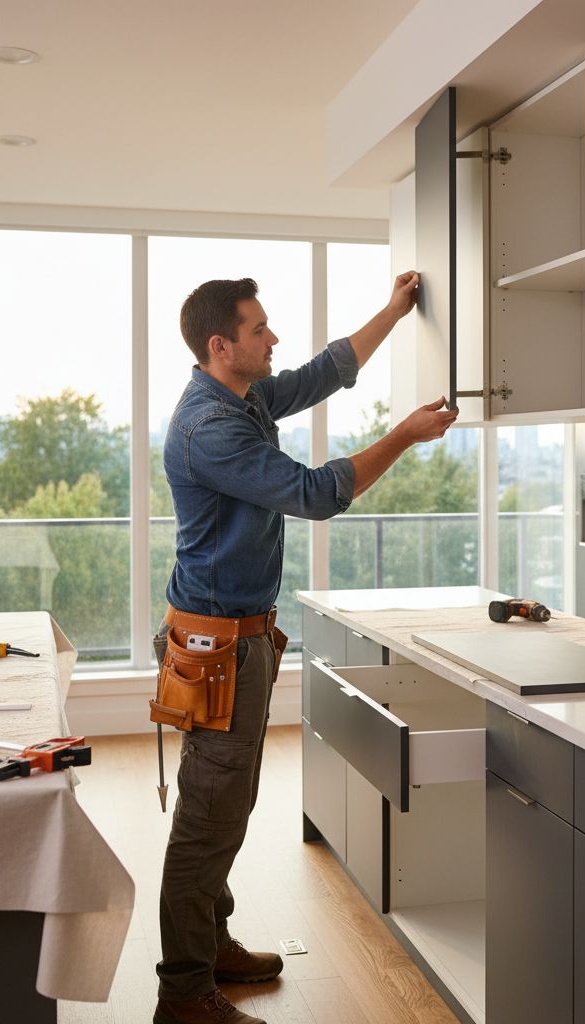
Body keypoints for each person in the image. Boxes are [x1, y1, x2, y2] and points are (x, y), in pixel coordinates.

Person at [154, 272, 458, 1024]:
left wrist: (391, 310)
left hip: (239, 636)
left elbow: (321, 372)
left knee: (228, 805)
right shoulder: (210, 429)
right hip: (219, 645)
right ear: (221, 346)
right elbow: (318, 493)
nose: (272, 339)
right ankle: (185, 994)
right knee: (208, 816)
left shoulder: (241, 394)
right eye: (259, 330)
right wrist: (406, 436)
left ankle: (212, 946)